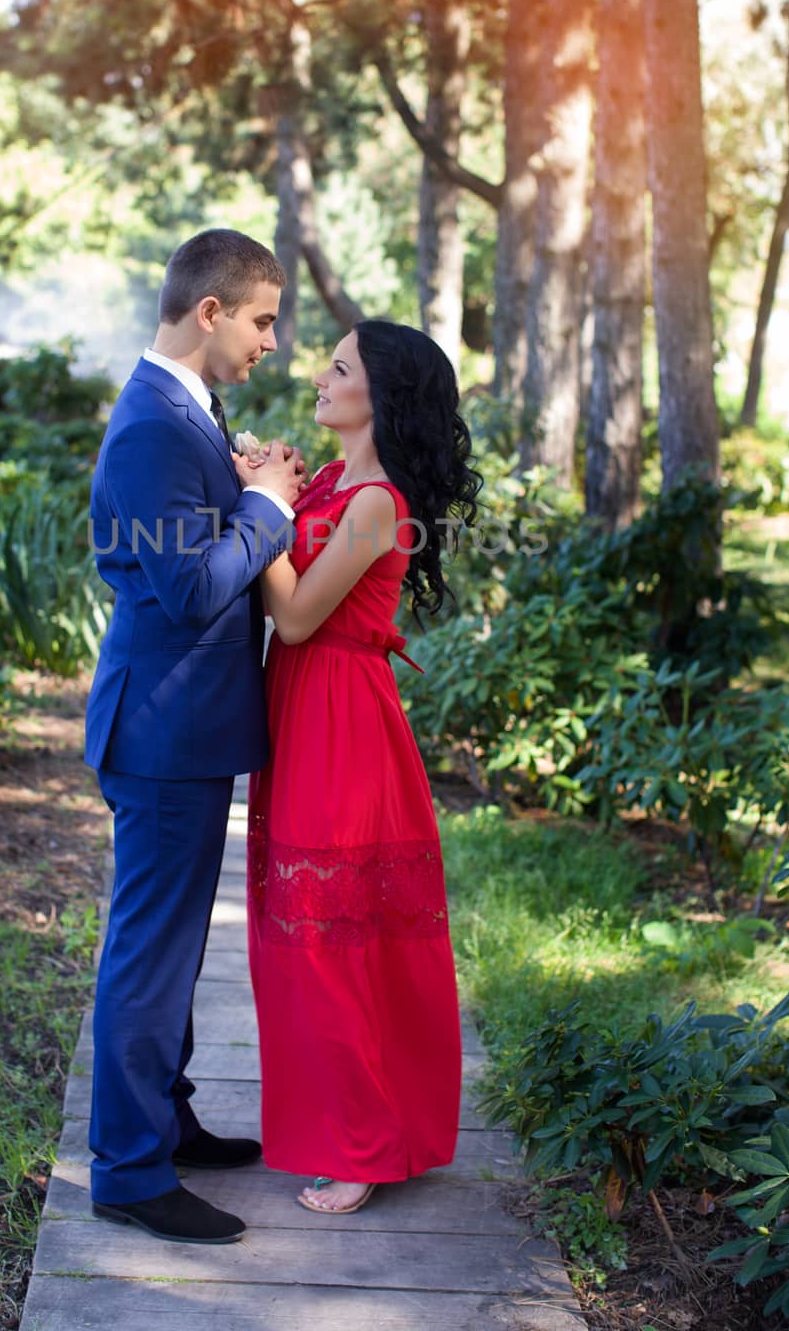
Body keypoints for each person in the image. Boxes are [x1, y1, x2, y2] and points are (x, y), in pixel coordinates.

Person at [84, 229, 306, 1244]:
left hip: (183, 723)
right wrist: (265, 508)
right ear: (210, 311)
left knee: (167, 952)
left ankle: (162, 1122)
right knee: (149, 952)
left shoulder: (186, 411)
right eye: (262, 318)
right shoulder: (151, 426)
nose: (271, 340)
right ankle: (128, 1170)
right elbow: (185, 589)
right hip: (162, 728)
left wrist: (240, 483)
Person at [247, 319, 481, 1215]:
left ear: (379, 396)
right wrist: (275, 487)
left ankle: (366, 1147)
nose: (318, 374)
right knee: (304, 931)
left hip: (339, 715)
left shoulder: (377, 499)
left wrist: (262, 512)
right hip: (302, 707)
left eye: (337, 367)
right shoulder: (341, 479)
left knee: (332, 935)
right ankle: (354, 1124)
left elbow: (298, 617)